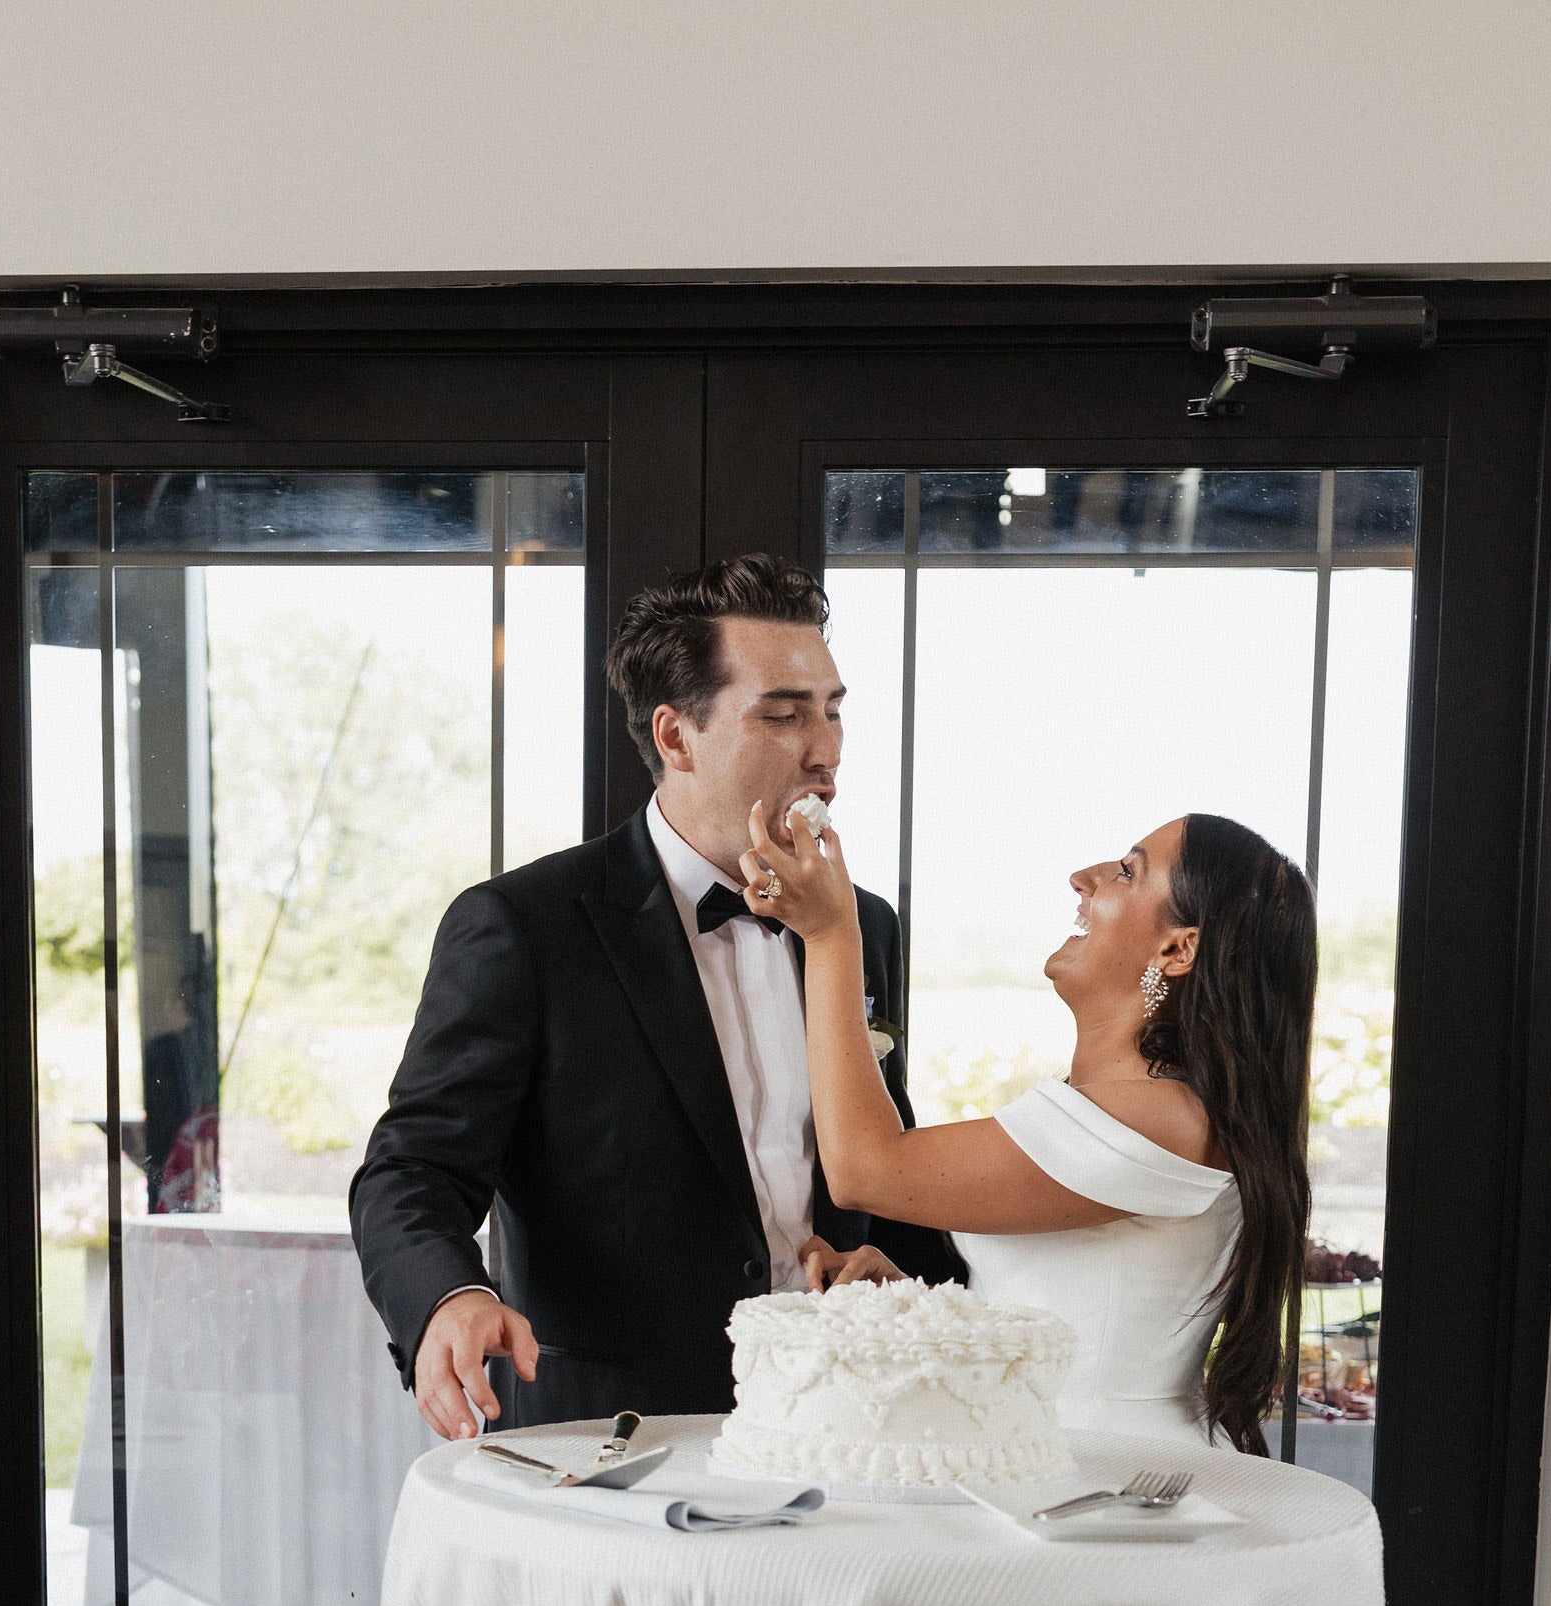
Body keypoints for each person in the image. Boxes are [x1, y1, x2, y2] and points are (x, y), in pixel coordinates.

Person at [349, 555, 959, 1441]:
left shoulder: (864, 926)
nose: (823, 750)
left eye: (832, 711)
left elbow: (880, 1157)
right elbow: (413, 1168)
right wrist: (448, 1295)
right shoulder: (524, 926)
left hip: (840, 1421)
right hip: (611, 1436)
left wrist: (890, 1267)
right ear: (676, 738)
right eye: (783, 714)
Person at [735, 804, 1315, 1451]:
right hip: (1041, 1455)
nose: (1083, 877)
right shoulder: (1145, 1112)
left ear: (1177, 949)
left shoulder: (1167, 1118)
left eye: (1126, 872)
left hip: (1105, 1473)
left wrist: (832, 932)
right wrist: (917, 1305)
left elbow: (863, 1169)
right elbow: (1072, 1313)